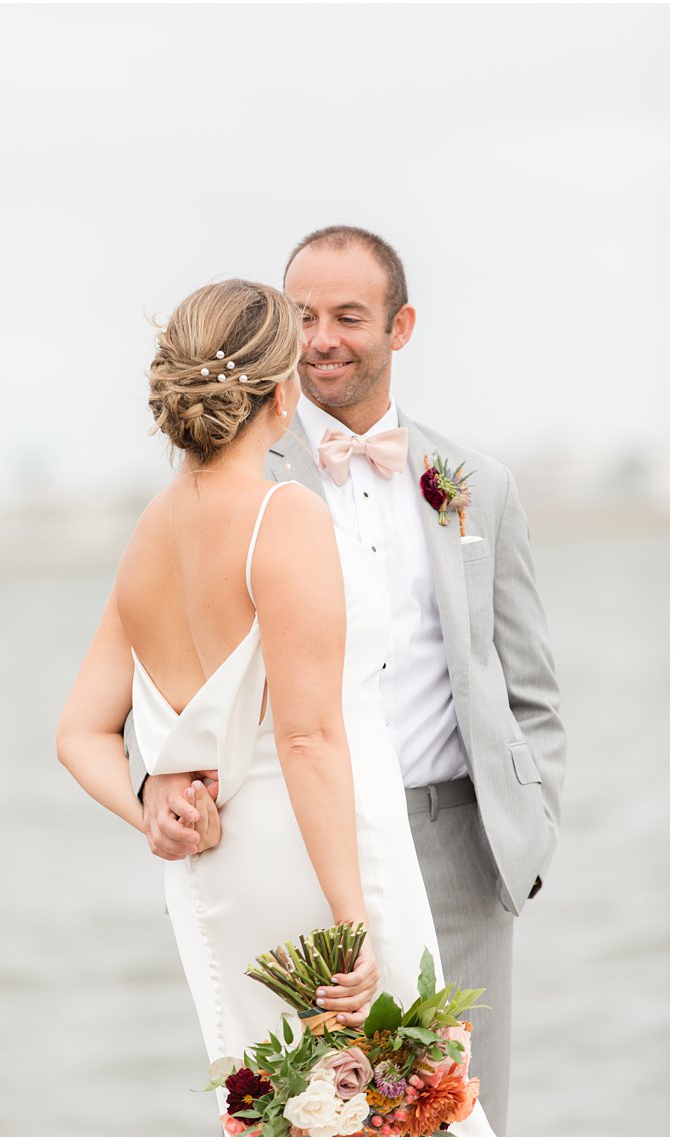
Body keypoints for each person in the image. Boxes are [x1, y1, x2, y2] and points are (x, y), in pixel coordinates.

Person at [125, 228, 565, 1134]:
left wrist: (530, 825)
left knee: (460, 1103)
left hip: (459, 838)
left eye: (348, 316)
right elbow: (172, 667)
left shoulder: (473, 482)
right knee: (325, 1105)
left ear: (400, 326)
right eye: (303, 317)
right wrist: (155, 777)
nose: (322, 336)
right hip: (305, 839)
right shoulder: (240, 477)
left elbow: (529, 684)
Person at [57, 279, 495, 1136]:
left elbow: (79, 732)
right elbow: (308, 736)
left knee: (294, 1107)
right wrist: (352, 922)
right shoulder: (280, 516)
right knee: (403, 1109)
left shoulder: (147, 532)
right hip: (323, 855)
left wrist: (150, 802)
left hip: (219, 877)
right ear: (284, 391)